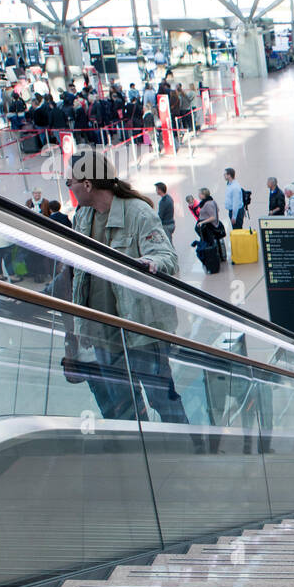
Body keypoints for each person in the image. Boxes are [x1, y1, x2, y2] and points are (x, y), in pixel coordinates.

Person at [65, 149, 192, 430]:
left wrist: (150, 262)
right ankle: (139, 450)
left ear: (87, 184)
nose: (69, 187)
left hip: (141, 332)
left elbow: (167, 257)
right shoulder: (83, 216)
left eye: (69, 182)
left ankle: (188, 444)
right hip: (103, 334)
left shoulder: (137, 212)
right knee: (121, 404)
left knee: (162, 398)